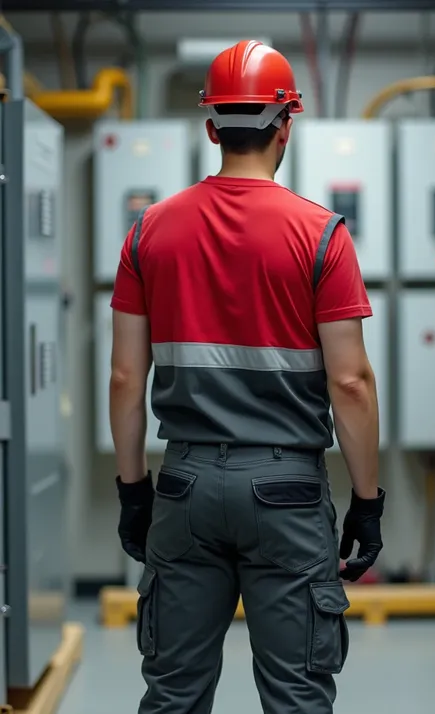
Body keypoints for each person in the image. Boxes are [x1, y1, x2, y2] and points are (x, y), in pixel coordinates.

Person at [109, 39, 385, 714]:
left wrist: (133, 492)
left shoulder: (150, 232)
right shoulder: (320, 236)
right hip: (287, 493)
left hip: (184, 485)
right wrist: (368, 502)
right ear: (285, 122)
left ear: (211, 127)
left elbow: (123, 376)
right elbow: (351, 384)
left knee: (172, 693)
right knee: (295, 695)